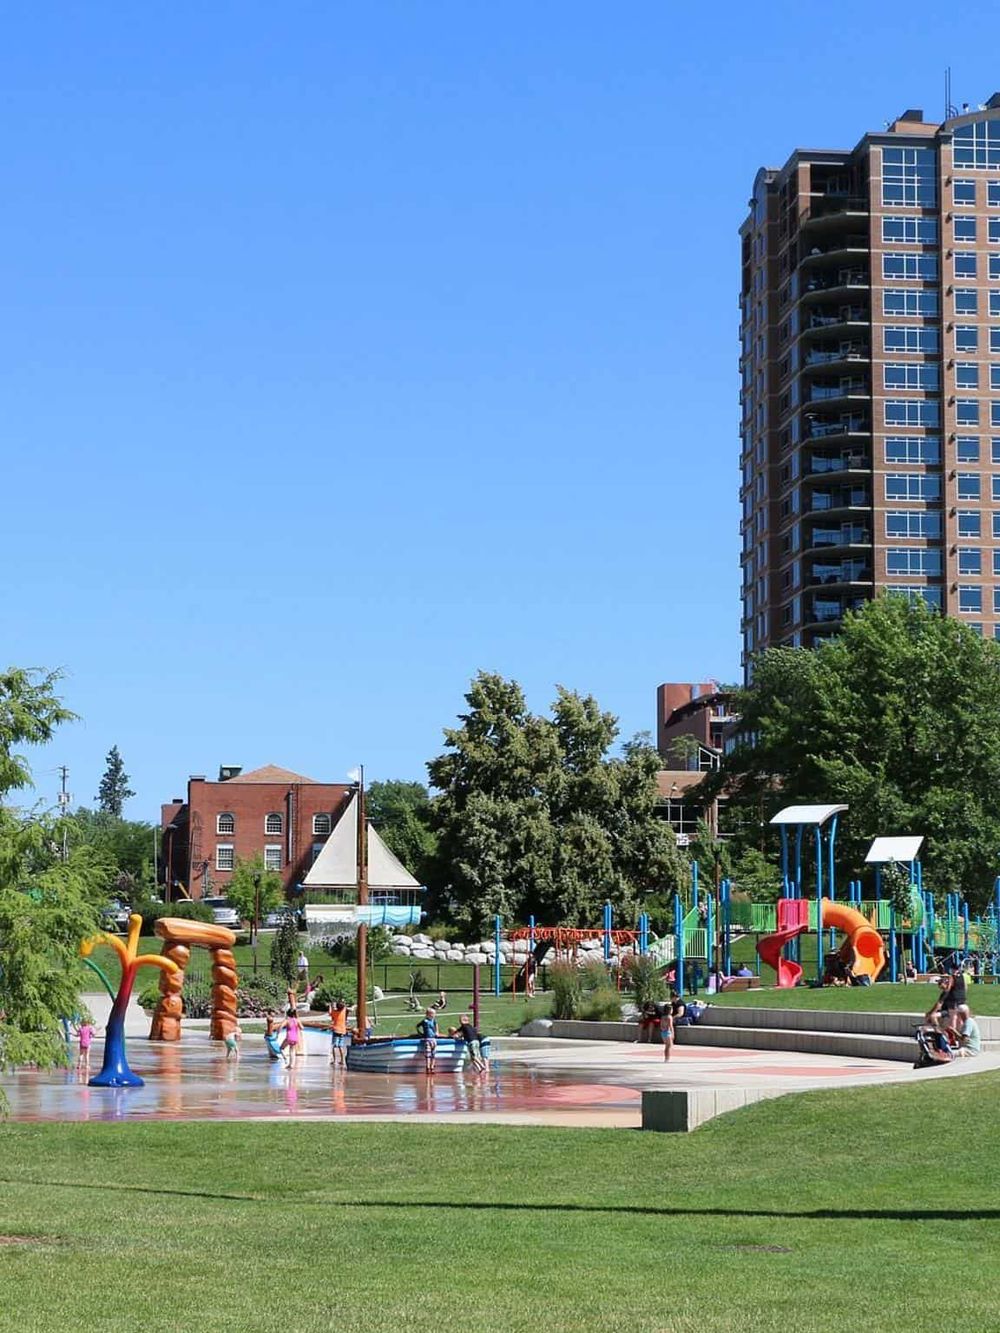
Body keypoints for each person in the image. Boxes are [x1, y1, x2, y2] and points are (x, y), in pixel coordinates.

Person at [329, 999, 349, 1068]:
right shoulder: (343, 1011)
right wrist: (342, 1001)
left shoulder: (334, 1012)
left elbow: (330, 1013)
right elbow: (344, 1006)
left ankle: (334, 1061)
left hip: (336, 1030)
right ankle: (342, 1060)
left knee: (335, 1046)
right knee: (341, 1046)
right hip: (343, 1031)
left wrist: (331, 1006)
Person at [418, 1007, 438, 1074]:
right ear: (428, 1014)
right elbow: (418, 1026)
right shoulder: (425, 1021)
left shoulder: (434, 1021)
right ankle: (428, 1067)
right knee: (428, 1055)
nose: (434, 1015)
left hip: (433, 1039)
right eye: (432, 1014)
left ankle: (432, 1067)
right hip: (427, 1039)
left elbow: (436, 1026)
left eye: (434, 1014)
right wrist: (420, 1033)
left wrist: (437, 1032)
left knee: (434, 1054)